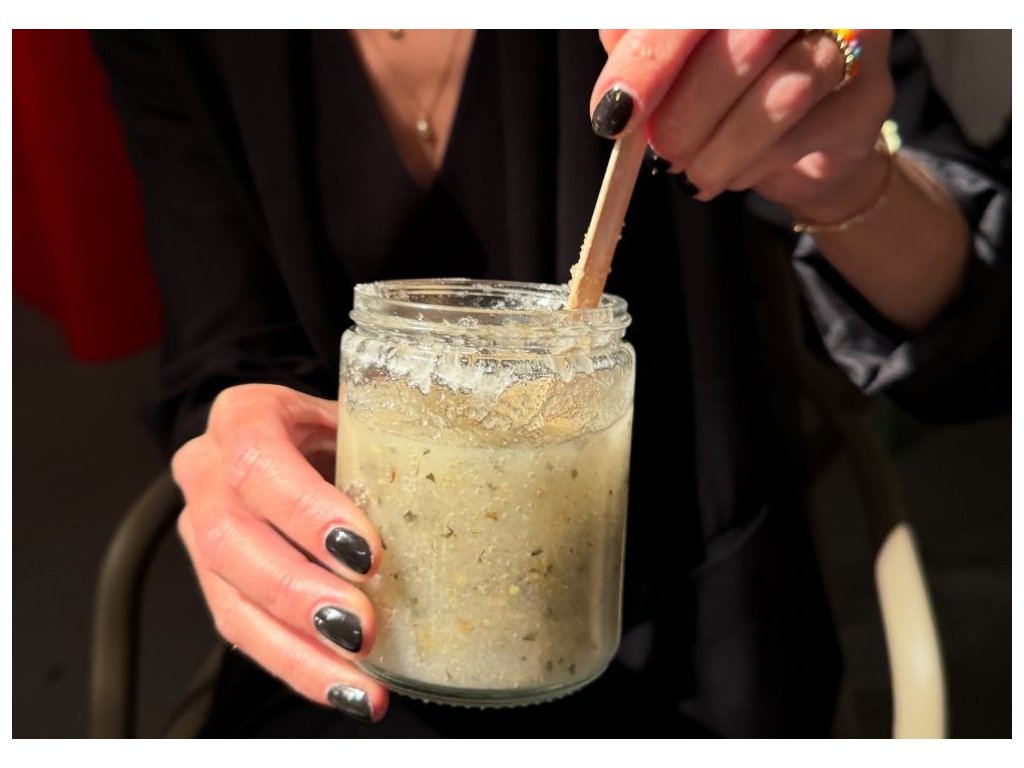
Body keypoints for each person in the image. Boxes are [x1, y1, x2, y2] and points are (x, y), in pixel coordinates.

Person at [93, 30, 1009, 737]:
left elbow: (984, 337)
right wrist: (237, 450)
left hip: (694, 635)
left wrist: (843, 175)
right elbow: (225, 350)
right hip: (360, 637)